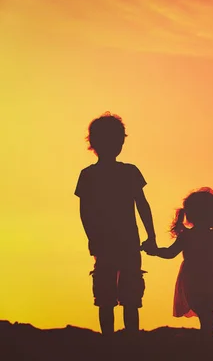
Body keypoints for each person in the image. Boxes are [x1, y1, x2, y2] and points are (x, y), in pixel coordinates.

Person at [75, 112, 157, 336]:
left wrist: (151, 235)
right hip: (118, 243)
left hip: (119, 243)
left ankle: (114, 339)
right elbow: (86, 212)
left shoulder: (97, 174)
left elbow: (141, 205)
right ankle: (119, 339)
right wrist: (151, 235)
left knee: (116, 296)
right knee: (113, 296)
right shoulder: (102, 174)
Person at [143, 187, 213, 337]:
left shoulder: (187, 236)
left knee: (208, 322)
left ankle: (208, 351)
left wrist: (155, 251)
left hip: (195, 287)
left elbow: (170, 253)